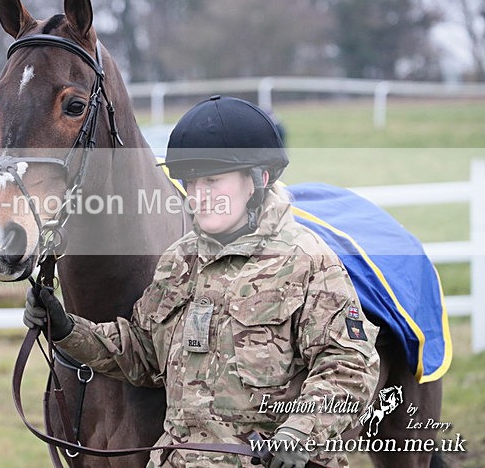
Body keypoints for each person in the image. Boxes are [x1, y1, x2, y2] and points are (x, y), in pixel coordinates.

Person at [24, 95, 380, 468]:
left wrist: (301, 433)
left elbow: (349, 366)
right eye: (192, 183)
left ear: (258, 179)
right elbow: (144, 353)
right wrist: (66, 329)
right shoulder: (179, 261)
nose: (199, 196)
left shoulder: (307, 261)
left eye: (213, 181)